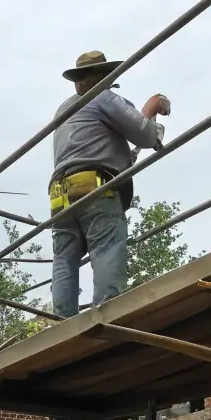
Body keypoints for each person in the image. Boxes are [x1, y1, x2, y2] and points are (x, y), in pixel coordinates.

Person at [50, 50, 171, 318]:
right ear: (105, 75)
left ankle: (61, 322)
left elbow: (104, 149)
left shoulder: (65, 109)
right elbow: (146, 134)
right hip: (93, 184)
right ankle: (108, 314)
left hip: (60, 192)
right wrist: (151, 110)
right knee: (106, 247)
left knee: (64, 257)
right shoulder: (102, 96)